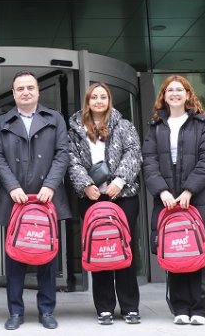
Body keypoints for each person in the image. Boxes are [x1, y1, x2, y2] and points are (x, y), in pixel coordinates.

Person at [141, 75, 205, 326]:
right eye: (170, 90)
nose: (175, 94)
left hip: (198, 198)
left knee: (200, 252)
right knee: (175, 250)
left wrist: (189, 190)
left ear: (188, 94)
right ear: (163, 96)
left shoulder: (202, 124)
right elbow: (149, 162)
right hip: (168, 199)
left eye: (179, 90)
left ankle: (200, 309)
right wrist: (162, 192)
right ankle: (180, 307)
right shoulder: (156, 127)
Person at [0, 71, 70, 331]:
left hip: (46, 198)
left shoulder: (54, 118)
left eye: (30, 88)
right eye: (20, 88)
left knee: (47, 258)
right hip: (15, 200)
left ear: (38, 91)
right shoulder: (1, 122)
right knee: (15, 258)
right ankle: (15, 311)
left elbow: (62, 154)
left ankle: (46, 310)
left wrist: (51, 185)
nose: (25, 92)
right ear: (13, 93)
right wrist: (12, 187)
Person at [67, 82, 142, 325]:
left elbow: (134, 153)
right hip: (91, 198)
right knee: (100, 250)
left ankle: (130, 306)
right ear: (87, 101)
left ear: (109, 100)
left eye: (103, 97)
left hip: (123, 197)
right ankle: (105, 307)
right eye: (94, 97)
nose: (99, 101)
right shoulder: (75, 129)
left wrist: (119, 181)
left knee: (124, 248)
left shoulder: (124, 125)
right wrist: (86, 185)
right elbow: (72, 160)